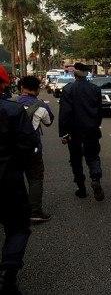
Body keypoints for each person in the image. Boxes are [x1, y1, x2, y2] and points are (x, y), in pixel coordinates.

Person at [0, 66, 40, 293]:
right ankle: (8, 273)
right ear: (5, 85)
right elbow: (29, 145)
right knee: (17, 228)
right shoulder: (13, 111)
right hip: (8, 181)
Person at [58, 63, 105, 201]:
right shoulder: (95, 89)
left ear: (74, 74)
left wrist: (64, 132)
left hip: (74, 132)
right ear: (86, 73)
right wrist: (96, 125)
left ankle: (81, 188)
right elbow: (99, 112)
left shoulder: (68, 89)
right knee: (93, 156)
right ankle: (95, 178)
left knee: (76, 160)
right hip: (91, 130)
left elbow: (64, 113)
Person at [17, 76, 54, 223]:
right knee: (35, 178)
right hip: (32, 149)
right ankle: (35, 212)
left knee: (13, 178)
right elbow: (49, 122)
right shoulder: (41, 106)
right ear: (38, 89)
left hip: (11, 149)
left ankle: (12, 210)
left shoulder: (10, 102)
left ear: (21, 88)